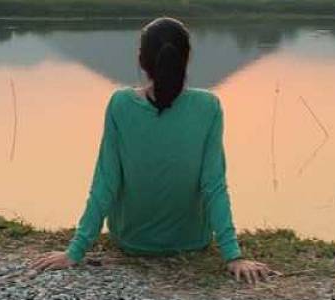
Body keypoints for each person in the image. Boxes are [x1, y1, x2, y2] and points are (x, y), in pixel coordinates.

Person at [29, 17, 273, 283]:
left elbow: (106, 181)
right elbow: (213, 184)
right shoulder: (208, 106)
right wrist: (232, 256)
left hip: (131, 240)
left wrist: (75, 251)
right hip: (192, 240)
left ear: (142, 60)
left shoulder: (120, 103)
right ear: (186, 58)